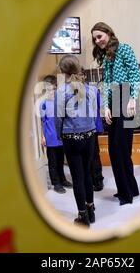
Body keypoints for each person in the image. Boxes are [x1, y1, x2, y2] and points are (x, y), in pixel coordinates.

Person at [91, 22, 140, 206]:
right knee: (117, 150)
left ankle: (126, 195)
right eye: (95, 39)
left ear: (109, 32)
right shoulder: (106, 57)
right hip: (114, 100)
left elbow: (136, 74)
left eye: (99, 36)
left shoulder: (124, 49)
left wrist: (132, 99)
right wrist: (105, 107)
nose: (97, 41)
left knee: (120, 149)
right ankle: (129, 188)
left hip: (127, 95)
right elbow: (106, 85)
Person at [54, 56, 97, 227]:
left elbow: (58, 118)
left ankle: (83, 217)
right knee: (87, 174)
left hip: (71, 138)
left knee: (77, 177)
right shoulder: (91, 89)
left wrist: (59, 136)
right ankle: (91, 210)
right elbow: (94, 113)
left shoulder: (61, 92)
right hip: (89, 135)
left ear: (63, 72)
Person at [40, 75, 73, 193]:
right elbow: (43, 121)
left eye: (53, 89)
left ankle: (63, 179)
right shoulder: (43, 104)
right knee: (53, 162)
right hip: (50, 137)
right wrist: (43, 136)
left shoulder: (60, 102)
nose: (51, 91)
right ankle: (56, 183)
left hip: (61, 137)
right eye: (49, 89)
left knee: (60, 160)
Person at [81, 70, 105, 191]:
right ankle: (88, 180)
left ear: (84, 76)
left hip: (92, 127)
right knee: (84, 156)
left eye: (80, 74)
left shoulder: (93, 90)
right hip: (79, 129)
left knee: (94, 155)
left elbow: (100, 105)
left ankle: (98, 180)